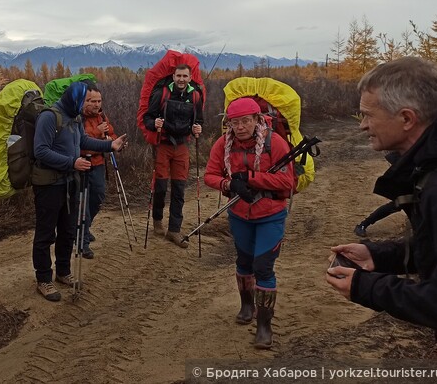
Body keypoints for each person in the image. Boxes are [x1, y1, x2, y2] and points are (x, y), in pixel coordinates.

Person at [326, 56, 437, 344]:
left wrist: (365, 287)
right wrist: (380, 256)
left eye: (368, 115)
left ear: (406, 118)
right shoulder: (432, 168)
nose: (362, 126)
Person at [204, 97, 295, 349]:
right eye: (235, 122)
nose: (240, 126)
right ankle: (247, 305)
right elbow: (210, 175)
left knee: (263, 266)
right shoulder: (223, 145)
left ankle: (264, 327)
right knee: (244, 262)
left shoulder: (275, 143)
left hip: (271, 214)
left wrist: (251, 178)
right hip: (240, 214)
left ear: (257, 120)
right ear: (228, 123)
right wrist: (229, 183)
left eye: (246, 121)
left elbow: (287, 183)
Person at [32, 81, 127, 302]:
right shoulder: (49, 116)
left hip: (70, 182)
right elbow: (40, 151)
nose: (88, 106)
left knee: (67, 230)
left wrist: (109, 145)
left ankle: (63, 271)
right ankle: (43, 279)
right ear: (74, 98)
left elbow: (81, 140)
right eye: (85, 101)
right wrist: (71, 163)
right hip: (49, 184)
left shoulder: (74, 116)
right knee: (46, 233)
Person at [142, 63, 204, 248]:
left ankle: (174, 230)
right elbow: (148, 118)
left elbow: (199, 120)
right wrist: (155, 124)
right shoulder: (162, 92)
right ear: (174, 76)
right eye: (178, 76)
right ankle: (157, 221)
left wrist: (198, 128)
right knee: (160, 187)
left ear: (190, 78)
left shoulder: (195, 96)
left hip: (182, 146)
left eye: (185, 76)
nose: (181, 79)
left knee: (179, 189)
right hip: (164, 144)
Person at [79, 84, 119, 259]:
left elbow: (112, 136)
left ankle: (84, 229)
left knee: (98, 198)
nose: (96, 104)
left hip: (98, 164)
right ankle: (82, 243)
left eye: (98, 101)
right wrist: (98, 133)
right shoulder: (76, 117)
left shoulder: (101, 116)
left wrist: (112, 141)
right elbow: (80, 142)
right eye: (91, 101)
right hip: (80, 165)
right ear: (82, 101)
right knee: (82, 206)